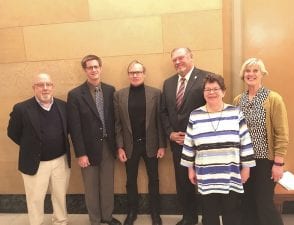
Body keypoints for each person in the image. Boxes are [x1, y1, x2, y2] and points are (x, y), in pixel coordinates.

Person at [180, 74, 256, 225]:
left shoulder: (235, 113)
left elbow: (245, 142)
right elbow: (189, 145)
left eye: (215, 88)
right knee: (209, 215)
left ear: (223, 92)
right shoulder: (195, 115)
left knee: (232, 214)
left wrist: (246, 168)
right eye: (207, 89)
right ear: (203, 93)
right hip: (205, 175)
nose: (211, 92)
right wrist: (190, 169)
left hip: (230, 174)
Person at [7, 73, 71, 225]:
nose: (45, 88)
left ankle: (60, 221)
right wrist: (32, 147)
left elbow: (67, 130)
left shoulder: (63, 106)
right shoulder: (21, 108)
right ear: (34, 88)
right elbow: (13, 133)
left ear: (53, 87)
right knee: (35, 198)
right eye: (40, 85)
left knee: (60, 195)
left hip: (60, 161)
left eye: (48, 84)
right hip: (35, 162)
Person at [160, 47, 214, 225]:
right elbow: (164, 112)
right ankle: (189, 218)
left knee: (206, 183)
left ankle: (209, 219)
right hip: (179, 143)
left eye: (181, 58)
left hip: (202, 143)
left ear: (191, 57)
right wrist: (170, 133)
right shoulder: (168, 83)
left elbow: (213, 109)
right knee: (183, 182)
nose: (177, 62)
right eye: (174, 59)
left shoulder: (207, 78)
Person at [233, 58, 289, 225]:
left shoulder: (273, 99)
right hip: (244, 161)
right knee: (247, 203)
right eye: (247, 71)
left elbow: (282, 133)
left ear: (262, 73)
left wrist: (278, 163)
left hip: (265, 160)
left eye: (255, 70)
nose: (251, 74)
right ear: (243, 75)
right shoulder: (238, 101)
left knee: (264, 204)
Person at [67, 55, 121, 225]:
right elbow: (74, 128)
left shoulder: (110, 90)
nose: (93, 70)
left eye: (96, 66)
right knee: (91, 187)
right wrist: (81, 153)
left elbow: (115, 120)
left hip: (108, 146)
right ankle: (95, 220)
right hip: (88, 149)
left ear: (101, 68)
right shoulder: (75, 94)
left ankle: (107, 216)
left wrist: (119, 146)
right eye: (89, 67)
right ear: (85, 70)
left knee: (107, 184)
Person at [114, 60, 166, 225]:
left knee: (154, 180)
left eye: (138, 72)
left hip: (151, 144)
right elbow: (117, 123)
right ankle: (132, 212)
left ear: (144, 74)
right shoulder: (119, 95)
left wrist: (162, 145)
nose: (135, 75)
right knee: (130, 181)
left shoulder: (156, 94)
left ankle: (156, 214)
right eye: (132, 72)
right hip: (130, 146)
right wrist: (120, 147)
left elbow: (160, 121)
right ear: (128, 75)